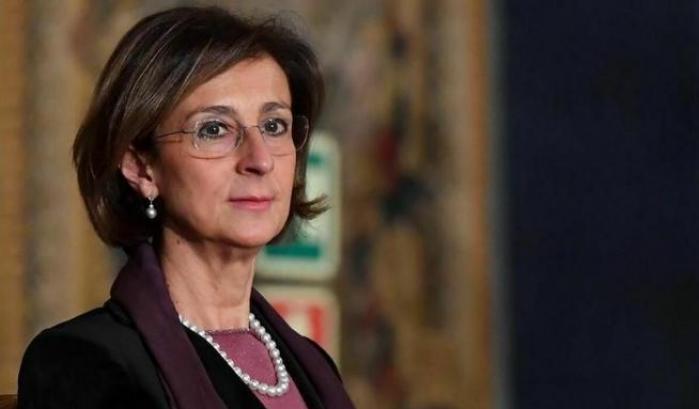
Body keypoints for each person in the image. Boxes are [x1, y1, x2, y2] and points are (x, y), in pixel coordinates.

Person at [17, 6, 354, 409]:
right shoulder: (81, 362)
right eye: (214, 129)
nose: (260, 159)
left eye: (274, 126)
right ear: (141, 167)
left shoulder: (312, 365)